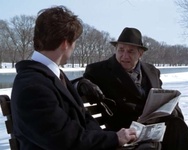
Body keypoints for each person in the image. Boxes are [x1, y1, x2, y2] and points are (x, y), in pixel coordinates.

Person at [10, 6, 138, 150]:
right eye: (74, 42)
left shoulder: (50, 75)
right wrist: (115, 138)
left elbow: (83, 120)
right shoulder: (32, 86)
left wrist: (111, 138)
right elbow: (64, 140)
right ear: (65, 43)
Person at [82, 27, 188, 150]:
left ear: (140, 53)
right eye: (121, 50)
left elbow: (161, 97)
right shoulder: (98, 70)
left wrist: (171, 107)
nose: (124, 56)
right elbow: (77, 84)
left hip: (153, 128)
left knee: (178, 126)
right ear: (116, 49)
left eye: (130, 51)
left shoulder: (152, 71)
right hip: (125, 132)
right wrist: (81, 84)